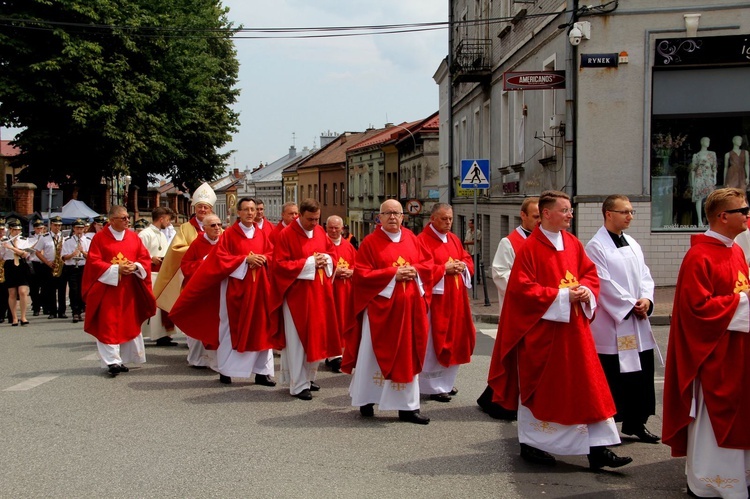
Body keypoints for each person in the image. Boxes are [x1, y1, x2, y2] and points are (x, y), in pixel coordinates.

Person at [487, 190, 632, 469]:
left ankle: (598, 449)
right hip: (543, 335)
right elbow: (521, 291)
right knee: (545, 391)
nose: (570, 214)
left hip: (575, 332)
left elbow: (590, 274)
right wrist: (564, 296)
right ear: (546, 214)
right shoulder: (529, 248)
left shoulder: (572, 242)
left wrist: (586, 290)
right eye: (564, 210)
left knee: (588, 388)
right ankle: (533, 445)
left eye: (570, 210)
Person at [663, 187, 750, 497]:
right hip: (712, 355)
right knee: (715, 420)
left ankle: (740, 477)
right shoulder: (699, 256)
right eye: (743, 210)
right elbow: (696, 310)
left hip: (737, 351)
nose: (747, 215)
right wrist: (743, 302)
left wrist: (742, 299)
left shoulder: (736, 250)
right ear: (723, 216)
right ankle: (711, 482)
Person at [342, 199, 435, 425]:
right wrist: (393, 274)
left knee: (407, 356)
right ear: (379, 217)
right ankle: (367, 399)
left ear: (403, 217)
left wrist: (415, 270)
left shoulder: (412, 239)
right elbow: (361, 275)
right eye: (388, 213)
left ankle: (408, 408)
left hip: (409, 311)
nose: (393, 217)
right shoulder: (371, 243)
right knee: (372, 357)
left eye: (397, 213)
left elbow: (429, 265)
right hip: (380, 314)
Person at [172, 199, 279, 386]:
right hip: (235, 290)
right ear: (238, 212)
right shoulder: (229, 235)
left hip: (260, 289)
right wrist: (245, 260)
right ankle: (226, 370)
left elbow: (273, 254)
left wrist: (264, 258)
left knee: (262, 328)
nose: (250, 213)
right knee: (230, 330)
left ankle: (262, 372)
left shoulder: (262, 234)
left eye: (253, 209)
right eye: (246, 209)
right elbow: (220, 259)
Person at [585, 195, 660, 444]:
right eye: (624, 211)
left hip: (637, 321)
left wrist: (646, 301)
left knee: (641, 374)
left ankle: (636, 422)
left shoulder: (633, 243)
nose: (630, 216)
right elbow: (602, 283)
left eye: (631, 211)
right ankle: (608, 427)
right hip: (614, 323)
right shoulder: (596, 246)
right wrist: (629, 304)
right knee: (616, 376)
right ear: (608, 214)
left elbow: (646, 275)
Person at [270, 198, 339, 400]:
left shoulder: (319, 232)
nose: (315, 224)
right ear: (300, 215)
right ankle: (298, 384)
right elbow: (280, 265)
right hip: (296, 297)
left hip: (319, 294)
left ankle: (308, 378)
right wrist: (309, 262)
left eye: (318, 219)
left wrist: (326, 260)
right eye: (310, 219)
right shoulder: (287, 235)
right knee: (298, 341)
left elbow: (332, 253)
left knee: (315, 338)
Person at [480, 197, 540, 419]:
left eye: (542, 216)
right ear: (523, 216)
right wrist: (529, 289)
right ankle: (501, 402)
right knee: (513, 359)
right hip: (519, 309)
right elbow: (500, 273)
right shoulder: (510, 242)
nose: (539, 221)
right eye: (535, 217)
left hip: (544, 307)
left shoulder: (548, 240)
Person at [81, 205, 156, 376]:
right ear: (112, 220)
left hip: (129, 289)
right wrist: (116, 269)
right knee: (108, 324)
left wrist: (135, 266)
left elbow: (143, 258)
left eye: (128, 218)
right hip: (108, 289)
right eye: (123, 218)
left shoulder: (133, 237)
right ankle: (112, 361)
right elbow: (93, 262)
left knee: (128, 323)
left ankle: (122, 359)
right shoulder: (100, 238)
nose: (127, 221)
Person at [416, 203, 475, 402]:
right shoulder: (422, 241)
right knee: (434, 343)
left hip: (456, 299)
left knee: (456, 340)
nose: (448, 222)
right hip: (436, 301)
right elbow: (421, 269)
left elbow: (467, 258)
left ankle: (446, 383)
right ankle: (431, 386)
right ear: (432, 219)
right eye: (444, 219)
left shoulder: (454, 239)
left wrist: (462, 265)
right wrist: (443, 269)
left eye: (450, 218)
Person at [153, 182, 216, 320]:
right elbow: (176, 249)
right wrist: (199, 251)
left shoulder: (218, 228)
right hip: (192, 276)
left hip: (213, 279)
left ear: (211, 210)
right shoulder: (186, 228)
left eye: (206, 207)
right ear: (195, 208)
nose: (202, 209)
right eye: (200, 206)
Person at [176, 213, 222, 369]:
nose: (217, 228)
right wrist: (204, 262)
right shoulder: (197, 244)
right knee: (199, 323)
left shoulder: (224, 242)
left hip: (218, 291)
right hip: (201, 291)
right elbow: (186, 266)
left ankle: (218, 362)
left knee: (217, 326)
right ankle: (198, 359)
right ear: (204, 228)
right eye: (213, 225)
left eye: (219, 225)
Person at [139, 207, 177, 346]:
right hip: (151, 273)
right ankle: (153, 335)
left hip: (162, 272)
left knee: (163, 305)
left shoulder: (161, 234)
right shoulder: (145, 234)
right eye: (167, 220)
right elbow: (138, 253)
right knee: (154, 306)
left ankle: (164, 335)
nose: (168, 223)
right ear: (161, 219)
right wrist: (150, 258)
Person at [324, 215, 356, 373]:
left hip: (346, 291)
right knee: (332, 322)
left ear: (342, 229)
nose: (334, 230)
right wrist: (335, 272)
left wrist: (351, 271)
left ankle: (342, 354)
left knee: (345, 322)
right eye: (331, 227)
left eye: (337, 228)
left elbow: (358, 265)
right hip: (330, 291)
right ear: (326, 228)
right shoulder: (323, 245)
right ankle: (333, 356)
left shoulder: (348, 246)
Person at [2, 219, 32, 326]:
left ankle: (23, 317)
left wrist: (11, 247)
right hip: (10, 265)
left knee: (23, 291)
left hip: (21, 265)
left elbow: (25, 254)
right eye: (14, 230)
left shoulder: (23, 240)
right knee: (12, 293)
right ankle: (14, 317)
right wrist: (3, 246)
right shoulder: (4, 240)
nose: (17, 232)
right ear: (10, 230)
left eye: (18, 230)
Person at [37, 215, 67, 319]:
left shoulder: (64, 237)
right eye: (55, 225)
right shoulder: (44, 237)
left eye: (59, 225)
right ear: (51, 225)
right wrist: (47, 262)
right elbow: (37, 252)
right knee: (50, 290)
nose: (57, 227)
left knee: (62, 289)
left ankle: (62, 311)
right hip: (49, 265)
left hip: (61, 265)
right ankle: (52, 311)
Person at [61, 218, 90, 324]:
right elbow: (64, 257)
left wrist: (83, 252)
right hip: (72, 267)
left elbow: (92, 257)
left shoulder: (87, 241)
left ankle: (82, 308)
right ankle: (75, 312)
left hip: (83, 267)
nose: (79, 231)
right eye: (77, 228)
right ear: (74, 229)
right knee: (74, 290)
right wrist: (73, 254)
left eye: (81, 228)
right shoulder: (68, 241)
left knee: (83, 290)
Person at [690, 137, 717, 226]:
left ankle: (710, 220)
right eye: (706, 141)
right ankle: (700, 221)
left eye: (709, 141)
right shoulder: (696, 155)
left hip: (709, 176)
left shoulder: (712, 154)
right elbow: (693, 169)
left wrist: (715, 178)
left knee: (710, 199)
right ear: (702, 142)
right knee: (699, 199)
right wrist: (693, 182)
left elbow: (714, 167)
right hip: (700, 177)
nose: (708, 142)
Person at [27, 220, 47, 317]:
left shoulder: (46, 238)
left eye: (41, 228)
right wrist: (38, 242)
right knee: (34, 288)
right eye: (38, 228)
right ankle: (36, 307)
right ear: (34, 229)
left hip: (44, 263)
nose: (40, 230)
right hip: (34, 263)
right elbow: (28, 251)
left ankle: (44, 305)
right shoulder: (30, 239)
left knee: (45, 286)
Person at [464, 218, 481, 282]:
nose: (469, 224)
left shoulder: (478, 232)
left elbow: (475, 241)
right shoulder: (468, 231)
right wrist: (466, 249)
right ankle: (471, 278)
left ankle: (477, 279)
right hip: (469, 251)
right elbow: (466, 240)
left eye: (470, 223)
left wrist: (466, 242)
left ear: (473, 224)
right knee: (469, 264)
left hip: (475, 251)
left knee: (475, 265)